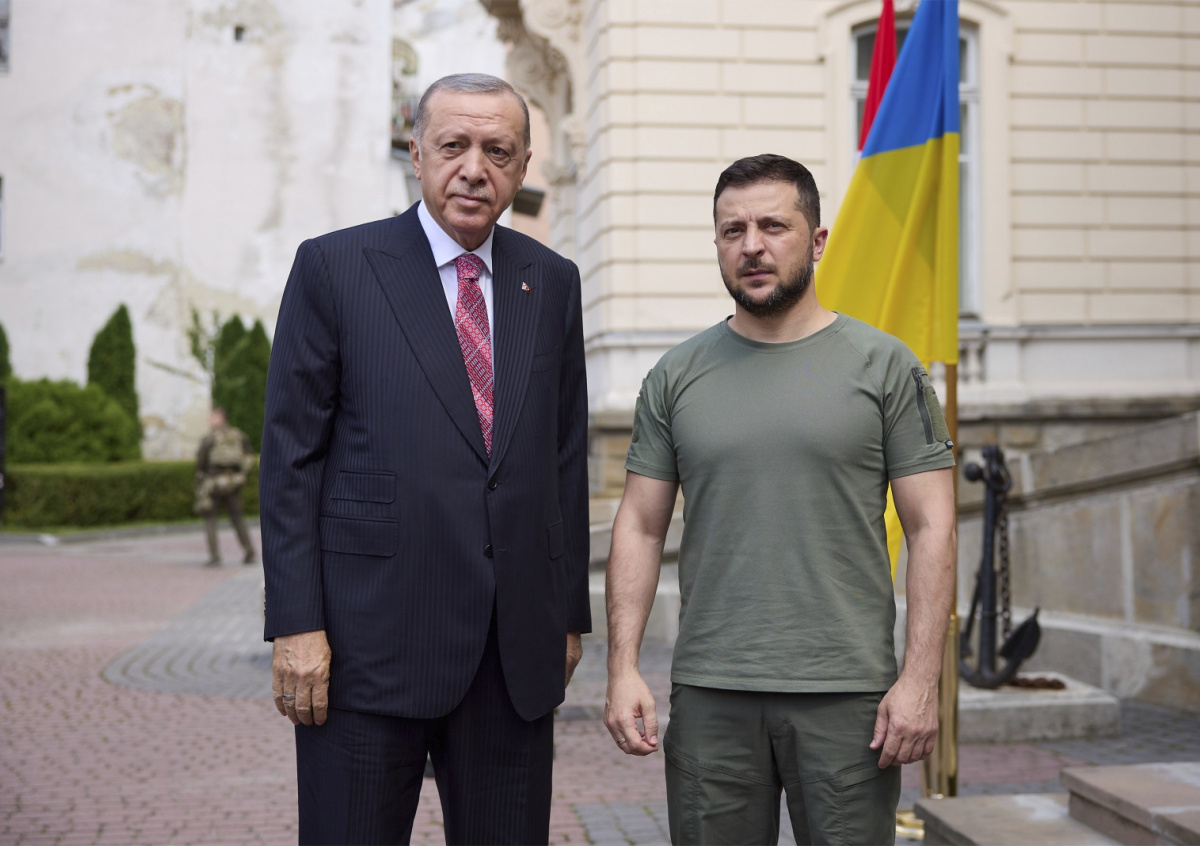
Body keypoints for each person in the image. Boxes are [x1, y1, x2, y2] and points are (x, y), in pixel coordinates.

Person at [259, 73, 590, 845]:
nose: (474, 168)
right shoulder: (335, 268)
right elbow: (291, 462)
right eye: (453, 146)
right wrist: (297, 624)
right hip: (366, 650)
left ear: (523, 164)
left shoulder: (553, 281)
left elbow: (565, 459)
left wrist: (567, 616)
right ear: (416, 153)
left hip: (512, 658)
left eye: (498, 151)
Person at [603, 154, 957, 845]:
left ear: (817, 240)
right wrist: (622, 669)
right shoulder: (675, 376)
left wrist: (920, 680)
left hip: (848, 696)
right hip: (711, 693)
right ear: (716, 244)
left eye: (773, 226)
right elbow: (640, 526)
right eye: (732, 230)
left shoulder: (887, 366)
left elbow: (933, 527)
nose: (752, 246)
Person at [195, 406, 256, 566]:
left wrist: (201, 480)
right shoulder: (239, 435)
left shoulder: (209, 438)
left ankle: (214, 556)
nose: (209, 420)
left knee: (210, 519)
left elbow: (201, 462)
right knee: (237, 518)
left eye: (212, 417)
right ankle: (249, 551)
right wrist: (241, 474)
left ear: (221, 417)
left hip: (214, 483)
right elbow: (249, 456)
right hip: (234, 482)